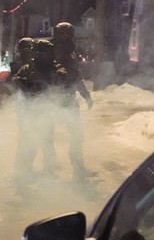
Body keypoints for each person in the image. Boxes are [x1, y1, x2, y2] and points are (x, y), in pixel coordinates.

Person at [12, 38, 67, 179]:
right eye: (39, 53)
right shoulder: (28, 67)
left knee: (47, 142)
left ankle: (48, 170)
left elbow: (61, 72)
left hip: (46, 110)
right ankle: (23, 171)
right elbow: (16, 81)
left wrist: (55, 76)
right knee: (29, 142)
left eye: (44, 53)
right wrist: (27, 83)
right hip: (30, 110)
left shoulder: (52, 67)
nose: (42, 56)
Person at [52, 22, 94, 178]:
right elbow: (75, 77)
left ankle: (54, 167)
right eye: (69, 34)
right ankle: (75, 167)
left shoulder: (63, 51)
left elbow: (75, 77)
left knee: (49, 134)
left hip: (57, 99)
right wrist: (85, 95)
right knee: (75, 133)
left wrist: (85, 95)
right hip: (60, 99)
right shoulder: (62, 52)